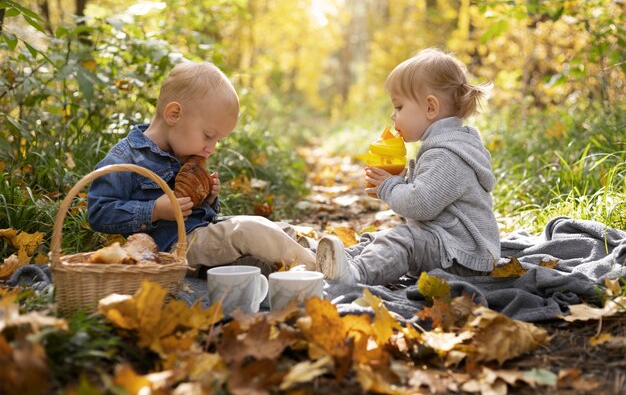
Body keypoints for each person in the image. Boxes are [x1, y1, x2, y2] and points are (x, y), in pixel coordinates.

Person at [87, 61, 315, 274]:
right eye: (209, 136)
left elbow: (203, 215)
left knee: (276, 229)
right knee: (248, 232)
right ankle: (318, 268)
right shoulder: (126, 158)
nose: (212, 148)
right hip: (174, 247)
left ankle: (297, 257)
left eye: (217, 141)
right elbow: (98, 212)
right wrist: (154, 210)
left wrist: (208, 198)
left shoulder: (184, 151)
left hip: (202, 236)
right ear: (174, 114)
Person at [315, 48, 500, 285]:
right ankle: (333, 259)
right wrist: (400, 183)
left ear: (431, 108)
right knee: (382, 238)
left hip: (463, 257)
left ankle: (353, 275)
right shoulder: (448, 145)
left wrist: (390, 187)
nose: (394, 116)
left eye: (399, 107)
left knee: (403, 240)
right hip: (450, 246)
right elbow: (429, 198)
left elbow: (420, 205)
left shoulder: (447, 155)